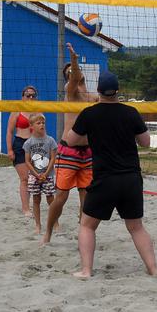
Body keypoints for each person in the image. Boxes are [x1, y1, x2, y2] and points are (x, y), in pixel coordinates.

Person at [63, 70, 157, 279]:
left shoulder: (89, 114)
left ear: (98, 91)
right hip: (131, 178)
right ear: (118, 91)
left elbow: (70, 140)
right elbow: (145, 142)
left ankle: (86, 271)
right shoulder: (131, 112)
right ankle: (154, 269)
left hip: (105, 179)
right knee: (136, 227)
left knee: (87, 225)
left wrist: (90, 132)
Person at [45, 44, 92, 244]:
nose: (73, 73)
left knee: (86, 198)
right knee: (61, 197)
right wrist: (73, 59)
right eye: (70, 72)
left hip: (87, 153)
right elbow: (73, 77)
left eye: (75, 69)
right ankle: (48, 232)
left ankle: (84, 233)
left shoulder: (90, 96)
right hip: (69, 151)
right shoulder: (70, 90)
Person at [22, 113, 59, 238]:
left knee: (50, 199)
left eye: (43, 122)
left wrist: (46, 173)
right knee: (36, 199)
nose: (42, 124)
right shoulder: (28, 143)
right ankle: (38, 225)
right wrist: (36, 174)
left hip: (48, 174)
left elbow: (53, 158)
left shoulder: (50, 140)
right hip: (34, 175)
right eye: (38, 123)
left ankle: (55, 222)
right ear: (31, 126)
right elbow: (27, 161)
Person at [6, 85, 38, 218]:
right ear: (22, 97)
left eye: (33, 95)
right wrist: (9, 150)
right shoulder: (17, 110)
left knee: (33, 178)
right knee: (24, 179)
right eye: (27, 95)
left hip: (35, 145)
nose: (30, 98)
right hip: (20, 144)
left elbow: (42, 131)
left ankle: (29, 205)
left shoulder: (38, 111)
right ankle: (25, 209)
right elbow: (9, 131)